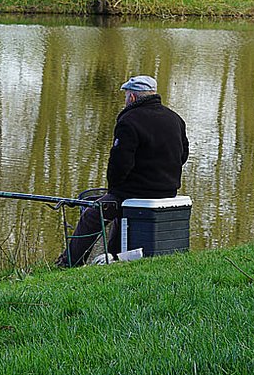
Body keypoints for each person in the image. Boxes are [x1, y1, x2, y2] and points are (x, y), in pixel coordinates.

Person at [57, 74, 189, 267]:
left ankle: (69, 263)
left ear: (133, 98)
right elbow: (183, 155)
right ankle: (114, 256)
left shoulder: (130, 120)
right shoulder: (175, 118)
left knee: (93, 214)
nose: (125, 99)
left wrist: (115, 189)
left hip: (136, 193)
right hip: (168, 190)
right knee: (116, 210)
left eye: (126, 95)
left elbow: (120, 164)